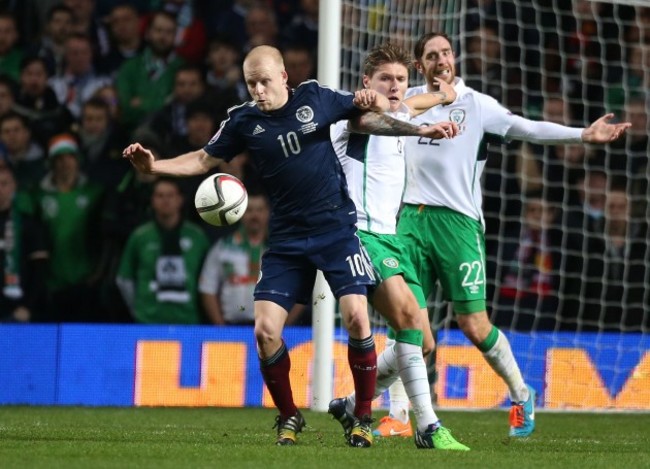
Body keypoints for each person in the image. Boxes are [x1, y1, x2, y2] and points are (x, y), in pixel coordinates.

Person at [123, 45, 454, 447]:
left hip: (336, 229)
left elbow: (371, 117)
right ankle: (290, 415)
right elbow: (202, 160)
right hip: (288, 239)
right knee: (264, 331)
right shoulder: (243, 121)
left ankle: (362, 417)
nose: (259, 90)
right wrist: (154, 166)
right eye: (251, 84)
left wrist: (415, 125)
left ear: (283, 76)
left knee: (357, 318)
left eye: (265, 81)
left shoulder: (315, 97)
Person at [384, 32, 630, 439]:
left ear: (454, 58)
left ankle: (521, 394)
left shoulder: (477, 106)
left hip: (458, 225)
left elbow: (527, 128)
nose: (441, 59)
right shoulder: (410, 103)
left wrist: (582, 135)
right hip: (409, 220)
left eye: (445, 52)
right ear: (420, 65)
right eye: (431, 55)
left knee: (473, 325)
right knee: (404, 316)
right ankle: (397, 414)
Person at [328, 42, 468, 450]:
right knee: (407, 315)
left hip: (394, 236)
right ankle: (427, 427)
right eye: (384, 78)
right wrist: (422, 126)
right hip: (358, 234)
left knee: (422, 341)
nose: (394, 87)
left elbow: (414, 103)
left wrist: (444, 93)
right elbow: (379, 120)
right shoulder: (354, 115)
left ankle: (353, 404)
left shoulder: (403, 108)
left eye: (401, 79)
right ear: (365, 83)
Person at [199, 192, 305, 325]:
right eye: (249, 210)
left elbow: (301, 290)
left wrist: (283, 326)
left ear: (268, 213)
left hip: (271, 329)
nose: (254, 216)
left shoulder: (282, 250)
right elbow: (207, 288)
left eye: (259, 210)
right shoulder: (222, 248)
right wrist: (221, 328)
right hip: (231, 328)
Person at [116, 177, 210, 324]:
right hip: (148, 320)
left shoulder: (197, 237)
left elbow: (209, 281)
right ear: (152, 201)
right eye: (160, 196)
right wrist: (138, 309)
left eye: (170, 195)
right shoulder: (140, 237)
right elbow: (124, 279)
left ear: (180, 199)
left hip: (188, 320)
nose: (165, 200)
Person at [0, 165, 49, 322]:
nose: (0, 190)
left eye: (4, 184)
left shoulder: (28, 224)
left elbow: (39, 270)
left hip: (16, 310)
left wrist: (28, 307)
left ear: (14, 185)